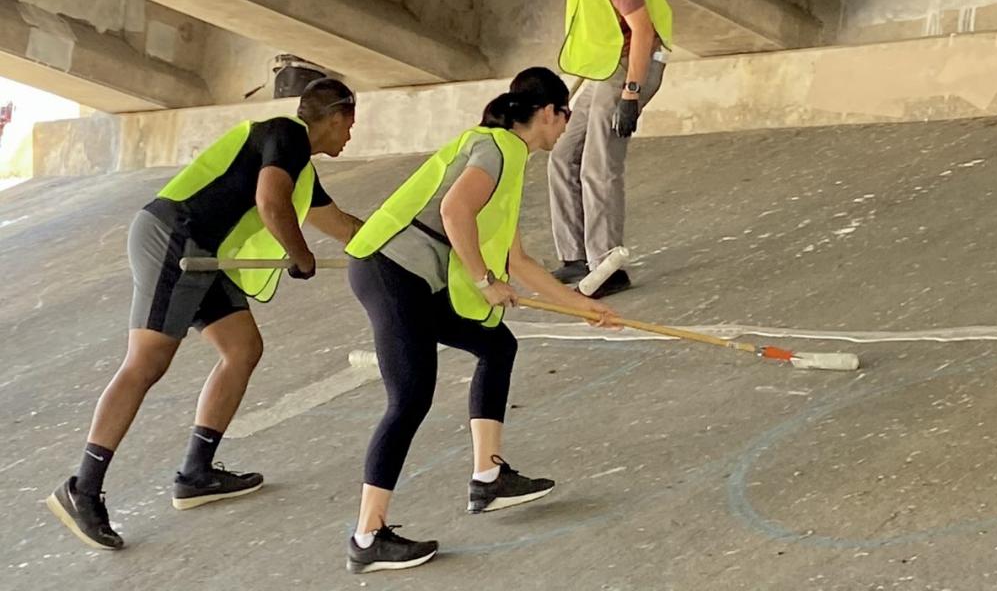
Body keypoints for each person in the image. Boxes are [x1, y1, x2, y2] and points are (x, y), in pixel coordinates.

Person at [46, 73, 363, 550]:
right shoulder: (286, 135)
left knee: (243, 348)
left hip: (203, 251)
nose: (351, 136)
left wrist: (396, 245)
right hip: (175, 237)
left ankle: (195, 472)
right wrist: (300, 257)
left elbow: (341, 225)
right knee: (146, 362)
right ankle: (82, 488)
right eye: (350, 125)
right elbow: (271, 205)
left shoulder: (298, 165)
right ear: (337, 117)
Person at [343, 67, 617, 574]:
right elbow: (454, 211)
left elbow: (520, 262)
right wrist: (483, 278)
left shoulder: (511, 161)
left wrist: (583, 306)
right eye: (564, 118)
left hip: (415, 278)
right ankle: (367, 535)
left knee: (497, 345)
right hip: (391, 271)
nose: (564, 129)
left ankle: (488, 479)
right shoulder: (495, 147)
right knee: (409, 399)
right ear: (547, 113)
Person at [549, 0, 674, 297]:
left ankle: (609, 266)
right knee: (563, 154)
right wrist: (568, 90)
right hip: (605, 67)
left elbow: (642, 30)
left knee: (599, 165)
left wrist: (631, 95)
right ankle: (576, 257)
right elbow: (597, 29)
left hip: (631, 66)